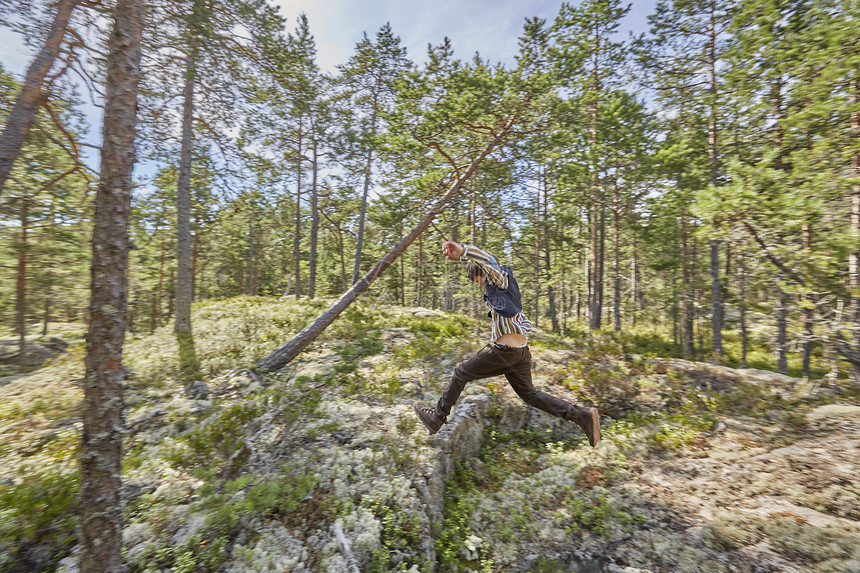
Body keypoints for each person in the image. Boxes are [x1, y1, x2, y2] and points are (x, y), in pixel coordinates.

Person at [412, 241, 600, 447]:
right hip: (520, 352)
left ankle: (436, 418)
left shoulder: (499, 279)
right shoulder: (503, 291)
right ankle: (581, 415)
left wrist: (463, 251)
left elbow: (488, 261)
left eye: (478, 281)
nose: (480, 286)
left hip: (504, 351)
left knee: (460, 373)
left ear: (484, 274)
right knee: (529, 394)